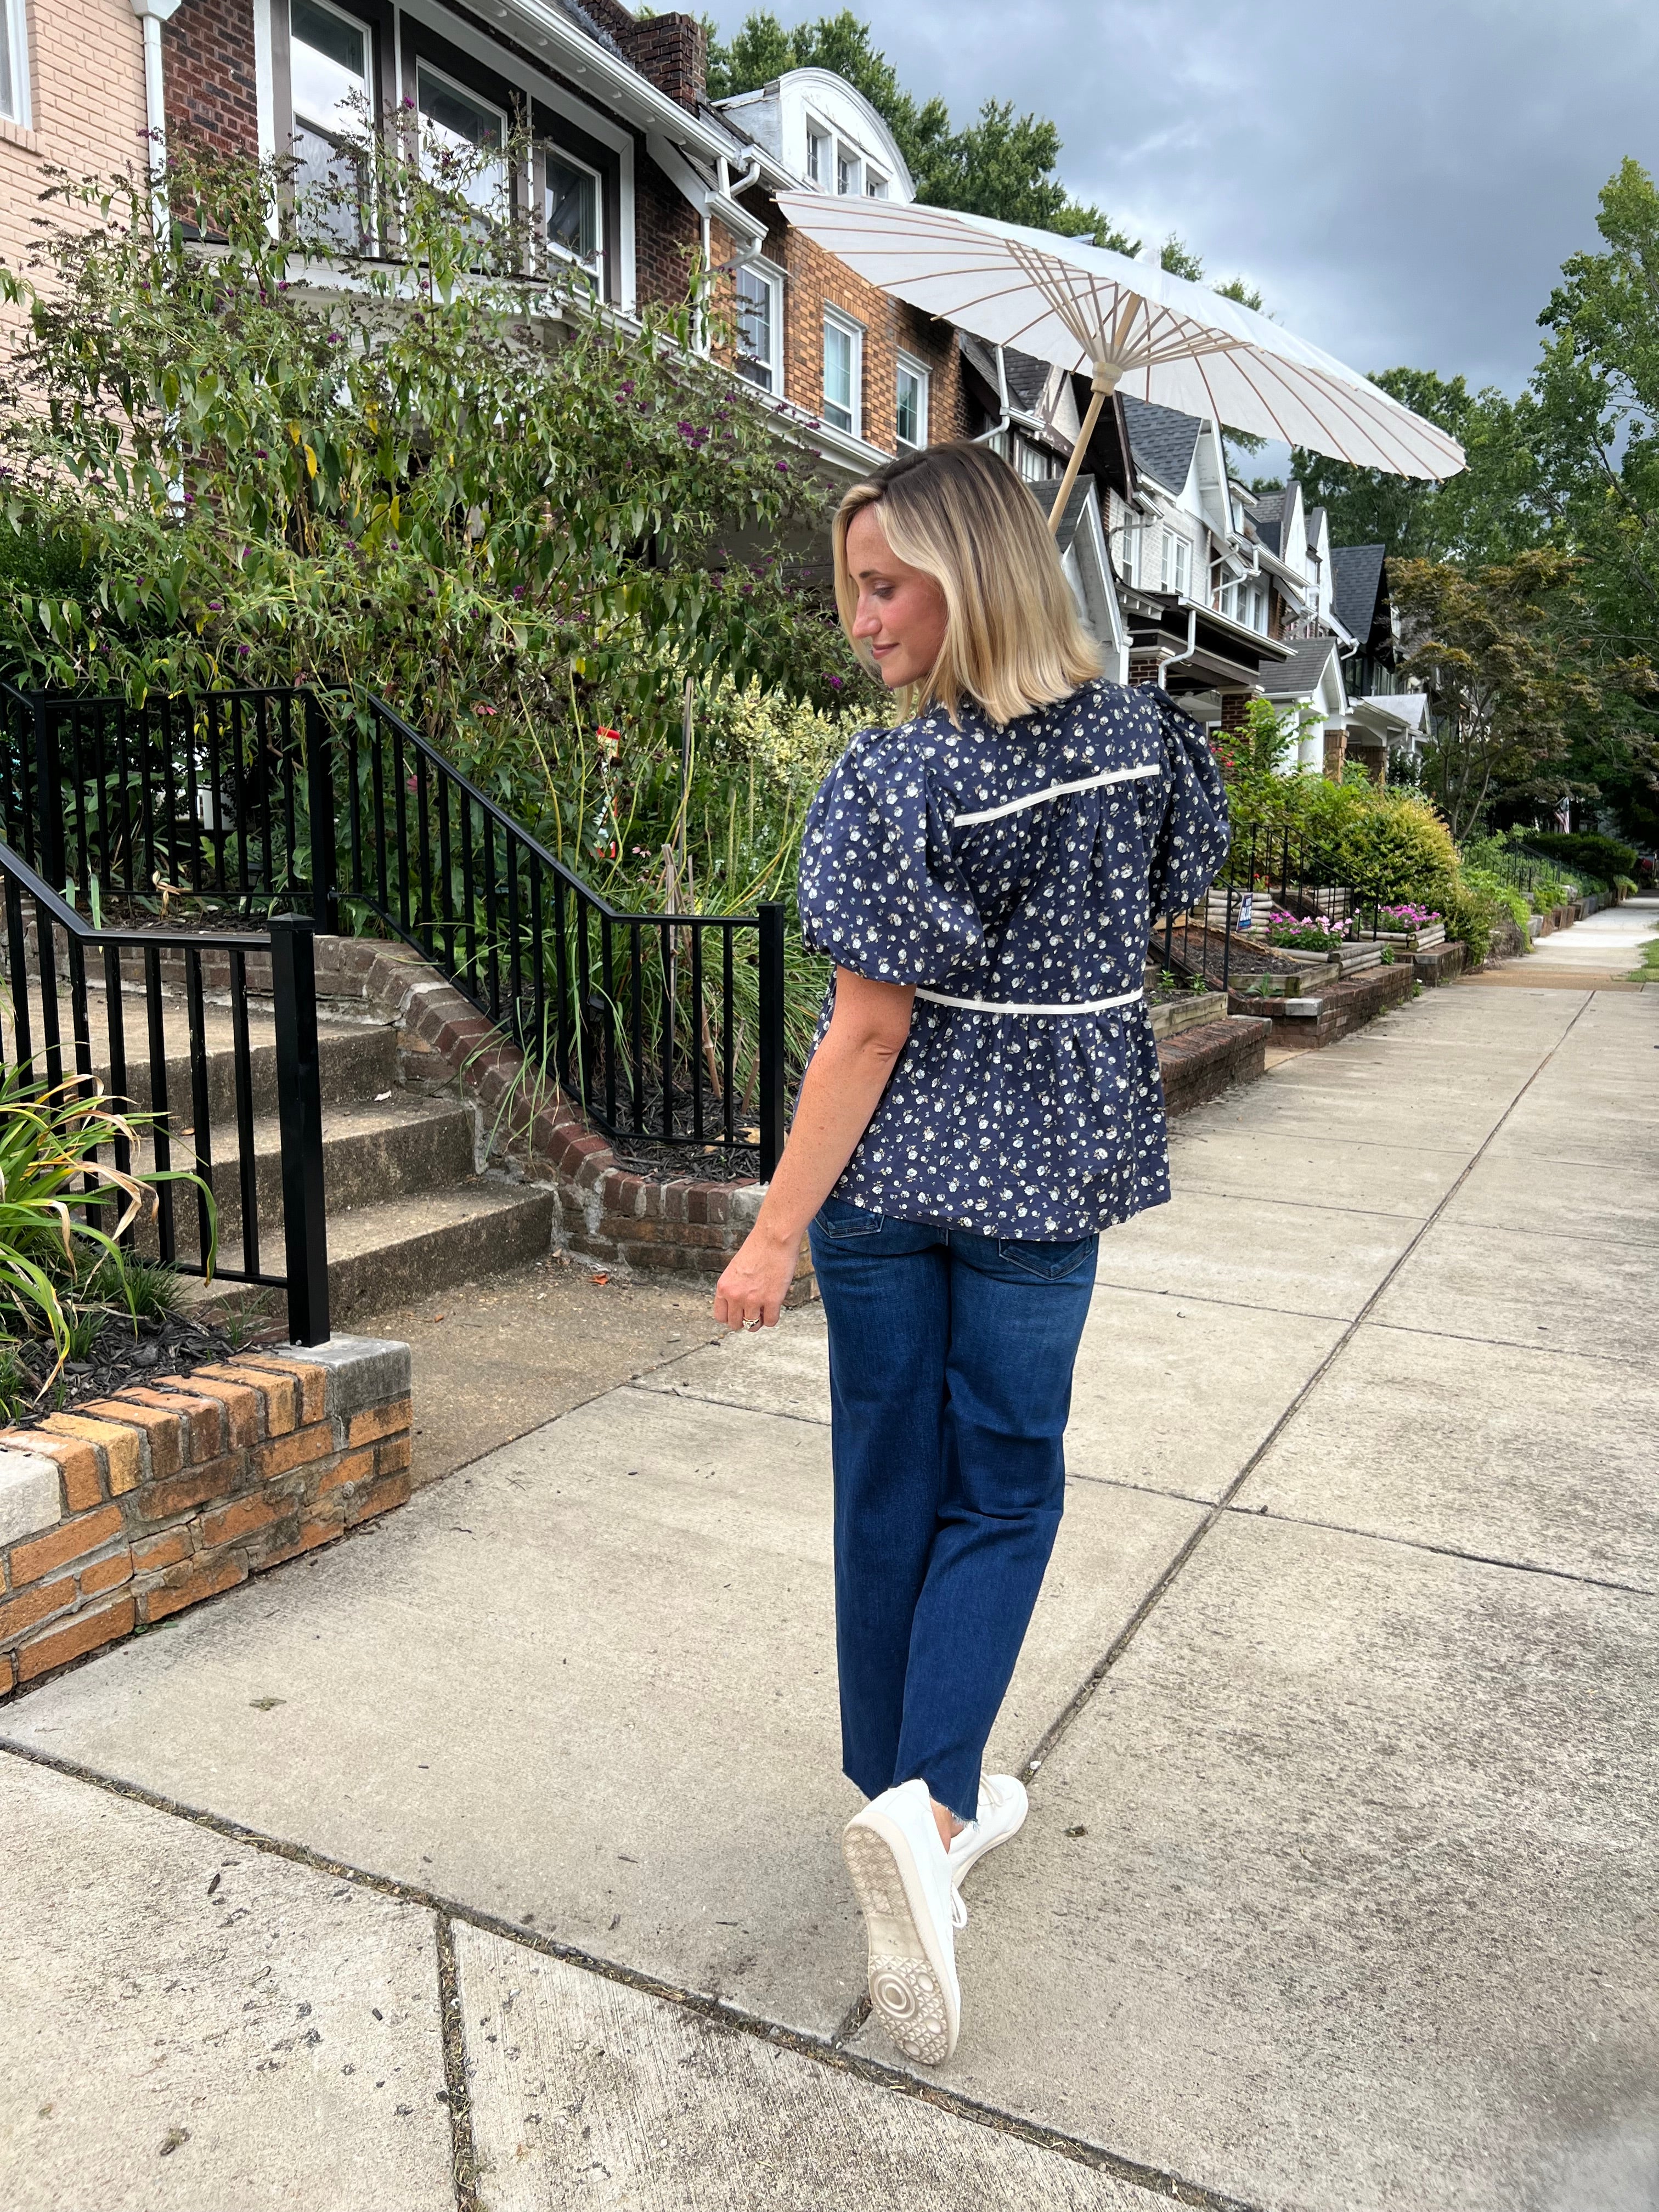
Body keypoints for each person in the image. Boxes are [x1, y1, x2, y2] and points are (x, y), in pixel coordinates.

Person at [713, 441, 1228, 2067]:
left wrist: (773, 1227)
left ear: (976, 576)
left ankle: (904, 1805)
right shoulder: (1150, 743)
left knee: (890, 1485)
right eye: (852, 587)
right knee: (1003, 1488)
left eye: (884, 585)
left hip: (884, 1191)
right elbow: (1175, 888)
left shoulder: (894, 780)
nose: (859, 620)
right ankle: (929, 1824)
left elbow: (867, 1033)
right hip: (1038, 1188)